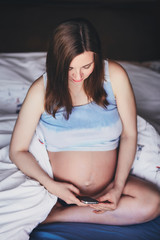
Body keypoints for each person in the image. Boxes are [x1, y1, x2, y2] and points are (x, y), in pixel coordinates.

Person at [9, 18, 160, 225]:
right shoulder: (41, 90)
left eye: (86, 66)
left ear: (97, 58)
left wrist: (117, 187)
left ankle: (56, 217)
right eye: (69, 68)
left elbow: (129, 134)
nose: (78, 76)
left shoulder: (114, 76)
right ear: (57, 62)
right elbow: (17, 150)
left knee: (152, 202)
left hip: (108, 186)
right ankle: (59, 209)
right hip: (59, 190)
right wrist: (51, 185)